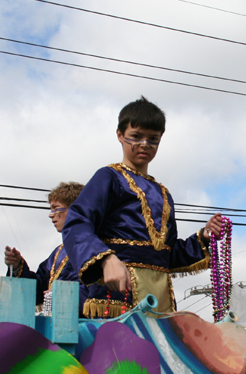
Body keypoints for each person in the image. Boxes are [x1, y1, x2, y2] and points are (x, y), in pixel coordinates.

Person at [62, 97, 222, 317]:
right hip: (118, 297)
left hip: (161, 302)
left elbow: (167, 255)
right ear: (120, 134)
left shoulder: (164, 193)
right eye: (136, 137)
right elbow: (77, 222)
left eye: (153, 139)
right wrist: (106, 259)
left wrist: (203, 237)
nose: (145, 144)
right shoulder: (109, 178)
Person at [4, 181, 85, 314]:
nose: (51, 215)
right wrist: (18, 266)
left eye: (56, 208)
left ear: (77, 209)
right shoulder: (59, 252)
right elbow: (39, 289)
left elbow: (100, 289)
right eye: (51, 209)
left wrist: (64, 294)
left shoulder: (99, 247)